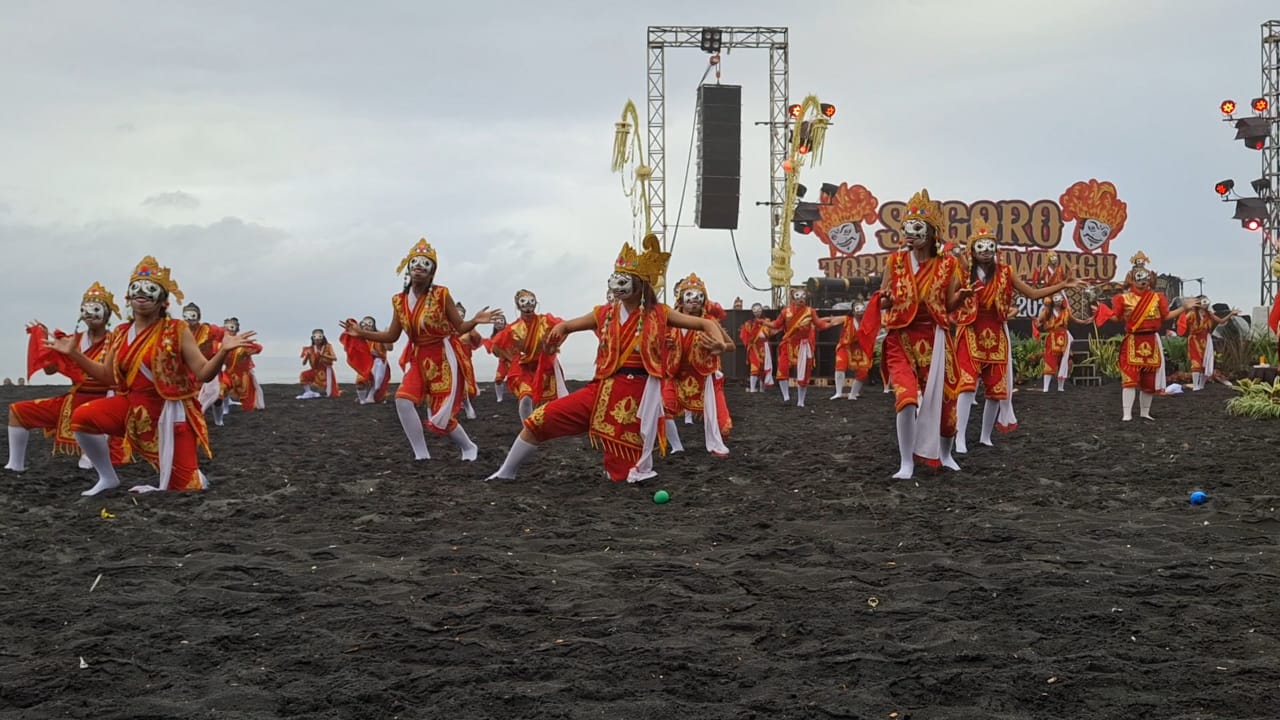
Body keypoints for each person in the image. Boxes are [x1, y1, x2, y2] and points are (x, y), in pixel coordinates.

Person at [486, 234, 731, 483]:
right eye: (615, 278)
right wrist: (560, 331)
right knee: (539, 420)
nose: (617, 284)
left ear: (640, 284)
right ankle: (505, 472)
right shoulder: (605, 313)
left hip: (636, 396)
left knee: (621, 474)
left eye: (623, 279)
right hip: (601, 387)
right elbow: (570, 325)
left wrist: (719, 344)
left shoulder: (660, 313)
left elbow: (704, 323)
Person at [50, 257, 257, 495]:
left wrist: (222, 351)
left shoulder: (177, 329)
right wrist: (75, 354)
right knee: (82, 417)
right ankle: (107, 478)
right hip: (132, 405)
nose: (142, 294)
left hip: (171, 411)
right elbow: (108, 377)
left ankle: (192, 472)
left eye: (150, 289)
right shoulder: (120, 332)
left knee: (183, 487)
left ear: (162, 300)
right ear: (128, 296)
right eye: (136, 288)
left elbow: (204, 373)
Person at [340, 238, 502, 461]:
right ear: (408, 268)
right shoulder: (398, 301)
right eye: (415, 262)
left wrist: (474, 320)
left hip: (443, 355)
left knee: (440, 415)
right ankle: (421, 455)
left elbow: (460, 327)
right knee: (403, 400)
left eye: (425, 265)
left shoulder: (442, 294)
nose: (419, 267)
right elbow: (392, 336)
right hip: (418, 356)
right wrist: (362, 333)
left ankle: (468, 446)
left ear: (431, 273)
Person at [861, 189, 971, 479]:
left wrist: (962, 298)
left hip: (935, 339)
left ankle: (945, 454)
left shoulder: (948, 264)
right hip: (901, 338)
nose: (910, 233)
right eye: (907, 227)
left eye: (917, 228)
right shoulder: (894, 263)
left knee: (948, 406)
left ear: (932, 232)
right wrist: (881, 299)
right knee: (906, 398)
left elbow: (948, 305)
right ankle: (906, 462)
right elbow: (886, 299)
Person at [951, 220, 1080, 453]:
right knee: (967, 387)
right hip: (970, 331)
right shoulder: (961, 272)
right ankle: (959, 438)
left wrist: (1063, 285)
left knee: (996, 389)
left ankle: (985, 436)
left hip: (997, 333)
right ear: (972, 250)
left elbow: (1032, 293)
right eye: (980, 246)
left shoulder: (1006, 272)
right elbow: (948, 299)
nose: (986, 251)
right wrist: (961, 296)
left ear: (995, 248)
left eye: (990, 246)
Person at [6, 282, 127, 472]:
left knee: (95, 448)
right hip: (74, 398)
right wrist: (44, 342)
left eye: (96, 309)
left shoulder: (117, 341)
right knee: (18, 412)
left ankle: (93, 452)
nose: (90, 314)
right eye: (86, 309)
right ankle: (15, 465)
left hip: (105, 399)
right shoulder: (73, 340)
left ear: (107, 313)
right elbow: (50, 370)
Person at [1097, 251, 1196, 420]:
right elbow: (1116, 317)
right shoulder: (1124, 298)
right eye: (1139, 278)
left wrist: (1184, 308)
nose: (1143, 281)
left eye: (1145, 278)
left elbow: (1166, 316)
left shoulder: (1157, 298)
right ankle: (1127, 414)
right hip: (1134, 340)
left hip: (1151, 340)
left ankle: (1145, 413)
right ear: (1132, 279)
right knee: (1130, 378)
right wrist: (1101, 311)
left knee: (1149, 380)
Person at [662, 273, 734, 456]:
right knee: (662, 408)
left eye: (699, 296)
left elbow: (731, 346)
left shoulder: (710, 322)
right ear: (681, 298)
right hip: (677, 374)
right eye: (689, 295)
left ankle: (716, 444)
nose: (694, 300)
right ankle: (677, 446)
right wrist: (664, 344)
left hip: (703, 377)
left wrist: (720, 346)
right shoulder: (670, 321)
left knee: (723, 424)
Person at [488, 290, 567, 421]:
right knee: (525, 397)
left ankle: (545, 425)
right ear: (518, 306)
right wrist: (511, 357)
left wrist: (555, 345)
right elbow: (495, 346)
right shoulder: (513, 328)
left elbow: (564, 327)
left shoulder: (545, 321)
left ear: (536, 303)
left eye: (531, 301)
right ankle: (528, 428)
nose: (528, 305)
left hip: (544, 365)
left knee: (549, 401)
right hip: (523, 368)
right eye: (524, 302)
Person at [767, 288, 837, 407]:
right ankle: (786, 397)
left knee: (804, 373)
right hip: (788, 344)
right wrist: (764, 323)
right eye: (798, 296)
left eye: (803, 296)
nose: (801, 298)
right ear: (793, 298)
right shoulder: (785, 312)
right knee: (782, 370)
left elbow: (819, 324)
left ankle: (801, 401)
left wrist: (830, 324)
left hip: (803, 345)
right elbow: (776, 324)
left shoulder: (810, 311)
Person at [1177, 296, 1240, 391]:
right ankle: (1196, 385)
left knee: (1205, 363)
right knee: (1196, 362)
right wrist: (1187, 308)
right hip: (1195, 340)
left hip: (1206, 340)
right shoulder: (1192, 314)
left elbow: (1221, 321)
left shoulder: (1209, 314)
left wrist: (1231, 314)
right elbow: (1182, 323)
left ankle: (1201, 386)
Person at [216, 316, 265, 423]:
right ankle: (225, 408)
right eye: (226, 327)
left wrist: (249, 351)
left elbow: (259, 348)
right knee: (222, 387)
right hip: (228, 373)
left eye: (232, 327)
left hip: (243, 375)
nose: (229, 330)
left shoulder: (242, 342)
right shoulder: (220, 344)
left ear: (237, 329)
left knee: (249, 405)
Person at [341, 316, 394, 405]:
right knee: (360, 382)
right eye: (364, 323)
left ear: (374, 326)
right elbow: (350, 349)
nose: (366, 326)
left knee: (377, 396)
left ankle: (376, 396)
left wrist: (387, 335)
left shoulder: (380, 336)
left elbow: (389, 348)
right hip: (365, 364)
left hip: (379, 364)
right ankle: (362, 399)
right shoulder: (360, 338)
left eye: (369, 324)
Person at [828, 301, 873, 400]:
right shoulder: (846, 319)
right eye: (857, 309)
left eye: (862, 309)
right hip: (845, 346)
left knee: (863, 372)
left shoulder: (868, 321)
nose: (860, 311)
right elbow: (830, 321)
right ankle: (838, 392)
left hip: (860, 348)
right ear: (853, 312)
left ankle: (853, 394)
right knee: (840, 365)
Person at [738, 303, 776, 393]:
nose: (757, 312)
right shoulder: (749, 323)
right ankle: (752, 388)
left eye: (759, 310)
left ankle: (762, 388)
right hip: (754, 347)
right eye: (755, 310)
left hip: (764, 346)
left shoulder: (767, 321)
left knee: (763, 366)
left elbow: (770, 332)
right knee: (754, 366)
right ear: (752, 311)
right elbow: (745, 335)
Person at [298, 329, 340, 399]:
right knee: (303, 375)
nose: (317, 340)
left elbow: (334, 358)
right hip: (315, 369)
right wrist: (307, 357)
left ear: (322, 337)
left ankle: (327, 390)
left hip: (326, 369)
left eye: (319, 337)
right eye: (315, 338)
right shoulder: (310, 349)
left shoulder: (328, 346)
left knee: (331, 394)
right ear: (313, 338)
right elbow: (303, 363)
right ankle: (308, 392)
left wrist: (323, 355)